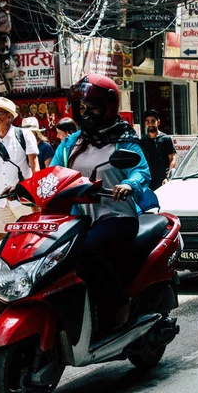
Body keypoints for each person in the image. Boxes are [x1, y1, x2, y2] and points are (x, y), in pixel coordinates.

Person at [50, 74, 153, 330]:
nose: (86, 113)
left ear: (108, 107)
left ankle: (120, 302)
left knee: (84, 250)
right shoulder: (70, 144)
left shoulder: (124, 140)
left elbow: (141, 171)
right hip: (79, 219)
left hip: (117, 216)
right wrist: (23, 187)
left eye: (92, 106)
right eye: (82, 107)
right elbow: (51, 174)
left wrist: (129, 184)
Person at [0, 97, 39, 245]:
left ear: (9, 116)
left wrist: (36, 197)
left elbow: (35, 167)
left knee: (27, 239)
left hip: (23, 198)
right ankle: (0, 267)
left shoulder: (24, 135)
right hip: (0, 200)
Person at [140, 109, 177, 190]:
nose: (150, 124)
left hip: (163, 182)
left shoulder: (166, 139)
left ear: (158, 122)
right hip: (148, 182)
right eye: (147, 121)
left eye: (153, 121)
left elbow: (172, 159)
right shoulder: (143, 141)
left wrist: (168, 178)